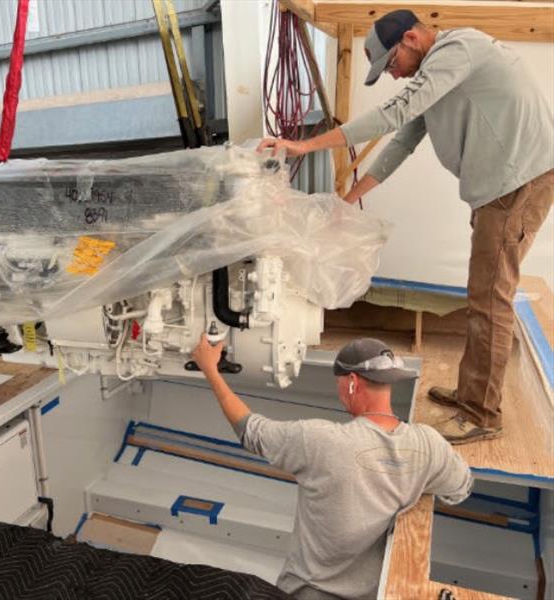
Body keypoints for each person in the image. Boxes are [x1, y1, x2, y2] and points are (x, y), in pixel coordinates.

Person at [258, 10, 554, 444]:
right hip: (503, 186)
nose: (394, 75)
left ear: (412, 38)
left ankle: (481, 414)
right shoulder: (440, 74)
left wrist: (303, 143)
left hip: (519, 182)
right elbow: (402, 142)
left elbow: (396, 113)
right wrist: (346, 202)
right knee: (484, 293)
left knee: (490, 298)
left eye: (391, 64)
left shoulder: (458, 49)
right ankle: (473, 393)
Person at [191, 335, 473, 599]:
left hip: (306, 592)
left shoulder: (321, 441)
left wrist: (211, 371)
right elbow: (459, 490)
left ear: (352, 381)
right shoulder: (428, 444)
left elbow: (250, 431)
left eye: (338, 383)